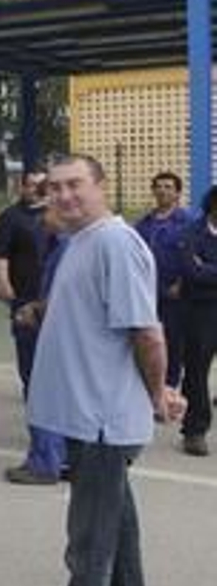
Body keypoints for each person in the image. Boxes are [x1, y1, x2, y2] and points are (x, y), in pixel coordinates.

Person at [5, 155, 185, 586]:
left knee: (89, 550)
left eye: (75, 185)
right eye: (55, 187)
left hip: (102, 422)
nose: (63, 195)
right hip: (87, 419)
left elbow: (146, 332)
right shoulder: (79, 242)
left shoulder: (114, 243)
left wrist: (158, 393)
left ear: (101, 187)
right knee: (117, 538)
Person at [0, 170, 58, 484]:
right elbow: (0, 253)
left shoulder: (67, 241)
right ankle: (57, 453)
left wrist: (36, 309)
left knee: (43, 385)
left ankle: (46, 458)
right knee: (36, 380)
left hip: (45, 316)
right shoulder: (12, 218)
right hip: (32, 305)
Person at [5, 204, 71, 484]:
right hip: (59, 330)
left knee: (45, 396)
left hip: (54, 332)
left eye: (46, 212)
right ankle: (64, 457)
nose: (42, 219)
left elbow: (61, 294)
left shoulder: (66, 248)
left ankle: (44, 462)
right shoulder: (60, 245)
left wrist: (34, 311)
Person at [135, 172, 198, 411]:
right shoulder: (144, 224)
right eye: (159, 186)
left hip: (176, 296)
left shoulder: (189, 222)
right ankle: (150, 391)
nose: (163, 190)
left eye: (168, 187)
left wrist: (182, 282)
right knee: (148, 342)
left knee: (172, 344)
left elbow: (196, 255)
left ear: (178, 193)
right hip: (148, 294)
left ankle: (167, 396)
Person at [176, 184, 217, 456]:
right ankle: (194, 430)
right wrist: (203, 271)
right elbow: (191, 271)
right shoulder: (191, 232)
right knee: (196, 372)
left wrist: (208, 269)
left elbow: (202, 271)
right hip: (201, 311)